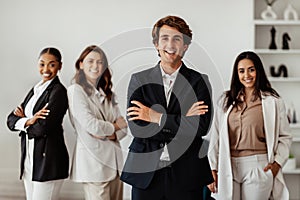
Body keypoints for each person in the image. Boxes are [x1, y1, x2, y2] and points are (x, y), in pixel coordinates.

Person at [120, 15, 214, 200]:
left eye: (177, 39)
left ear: (185, 45)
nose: (170, 44)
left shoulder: (199, 82)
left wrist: (156, 117)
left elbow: (201, 127)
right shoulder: (139, 80)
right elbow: (138, 129)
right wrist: (182, 121)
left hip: (187, 174)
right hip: (146, 174)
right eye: (165, 38)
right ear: (156, 44)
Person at [208, 51, 292, 200]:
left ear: (258, 71)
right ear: (237, 74)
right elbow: (216, 136)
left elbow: (285, 136)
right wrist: (212, 167)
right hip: (228, 165)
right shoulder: (225, 100)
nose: (247, 75)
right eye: (241, 71)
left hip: (258, 165)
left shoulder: (273, 101)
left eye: (251, 69)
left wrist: (277, 164)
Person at [6, 47, 69, 200]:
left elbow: (42, 128)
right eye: (42, 64)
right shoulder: (36, 89)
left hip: (48, 161)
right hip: (30, 160)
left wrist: (24, 124)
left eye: (52, 64)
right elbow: (10, 120)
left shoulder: (58, 92)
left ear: (60, 66)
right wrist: (29, 120)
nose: (46, 69)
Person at [67, 45, 128, 200]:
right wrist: (114, 126)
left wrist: (109, 132)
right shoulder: (75, 90)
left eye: (100, 62)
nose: (95, 66)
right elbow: (91, 125)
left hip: (114, 163)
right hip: (93, 163)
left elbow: (124, 128)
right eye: (91, 61)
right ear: (81, 64)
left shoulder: (108, 93)